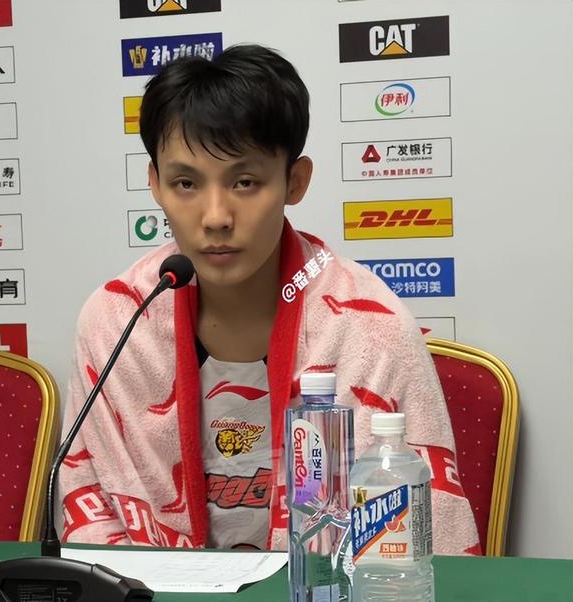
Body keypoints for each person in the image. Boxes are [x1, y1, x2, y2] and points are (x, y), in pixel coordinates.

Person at [59, 44, 480, 554]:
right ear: (155, 184)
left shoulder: (371, 326)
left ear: (294, 182)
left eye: (245, 182)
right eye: (186, 183)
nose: (216, 216)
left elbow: (423, 541)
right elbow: (91, 513)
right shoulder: (116, 320)